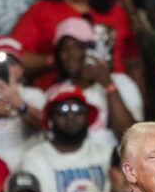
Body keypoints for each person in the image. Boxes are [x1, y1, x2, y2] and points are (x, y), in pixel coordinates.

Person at [10, 0, 144, 93]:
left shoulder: (117, 14)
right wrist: (55, 60)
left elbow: (133, 62)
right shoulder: (40, 10)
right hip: (57, 96)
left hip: (113, 93)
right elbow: (13, 56)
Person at [51, 17, 143, 147]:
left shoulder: (122, 82)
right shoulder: (57, 92)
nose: (70, 54)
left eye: (77, 47)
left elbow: (132, 140)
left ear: (91, 49)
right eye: (64, 49)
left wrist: (107, 84)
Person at [21, 84, 113, 192]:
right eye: (62, 110)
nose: (70, 115)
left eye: (77, 109)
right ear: (50, 119)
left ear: (87, 116)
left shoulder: (108, 154)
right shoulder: (33, 158)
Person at [0, 35, 45, 170]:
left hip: (24, 171)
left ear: (21, 69)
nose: (6, 67)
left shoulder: (33, 95)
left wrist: (20, 105)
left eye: (12, 62)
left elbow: (45, 124)